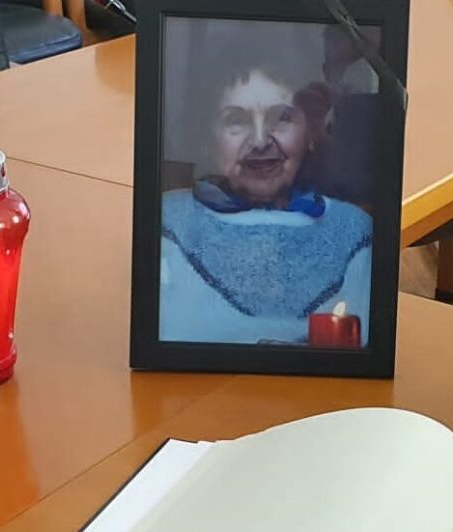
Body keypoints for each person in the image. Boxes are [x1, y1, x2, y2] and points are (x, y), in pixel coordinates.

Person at [159, 46, 373, 346]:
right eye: (236, 121)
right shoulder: (170, 224)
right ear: (207, 139)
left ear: (311, 132)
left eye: (280, 118)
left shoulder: (353, 232)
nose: (260, 141)